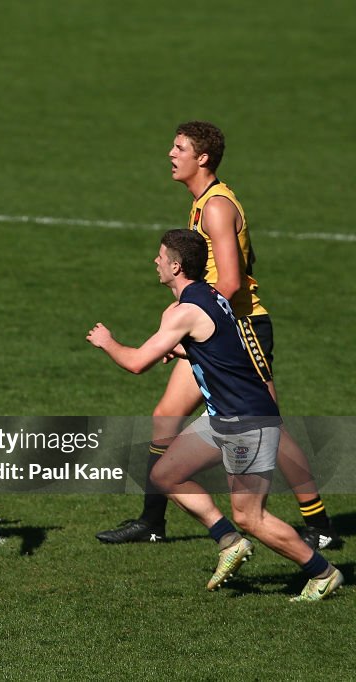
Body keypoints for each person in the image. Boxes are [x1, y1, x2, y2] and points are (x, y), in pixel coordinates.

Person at [96, 121, 339, 550]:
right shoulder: (202, 204)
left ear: (202, 158)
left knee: (269, 425)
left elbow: (230, 281)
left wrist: (187, 325)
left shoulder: (216, 207)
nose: (171, 154)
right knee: (166, 416)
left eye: (179, 148)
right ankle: (152, 521)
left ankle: (319, 524)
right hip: (213, 326)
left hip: (239, 329)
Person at [88, 229, 342, 601]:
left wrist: (107, 342)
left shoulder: (185, 312)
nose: (155, 262)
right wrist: (186, 353)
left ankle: (322, 573)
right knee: (166, 473)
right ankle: (227, 541)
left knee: (250, 517)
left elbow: (138, 363)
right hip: (223, 418)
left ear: (176, 266)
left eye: (160, 257)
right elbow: (219, 349)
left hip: (246, 423)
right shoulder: (209, 297)